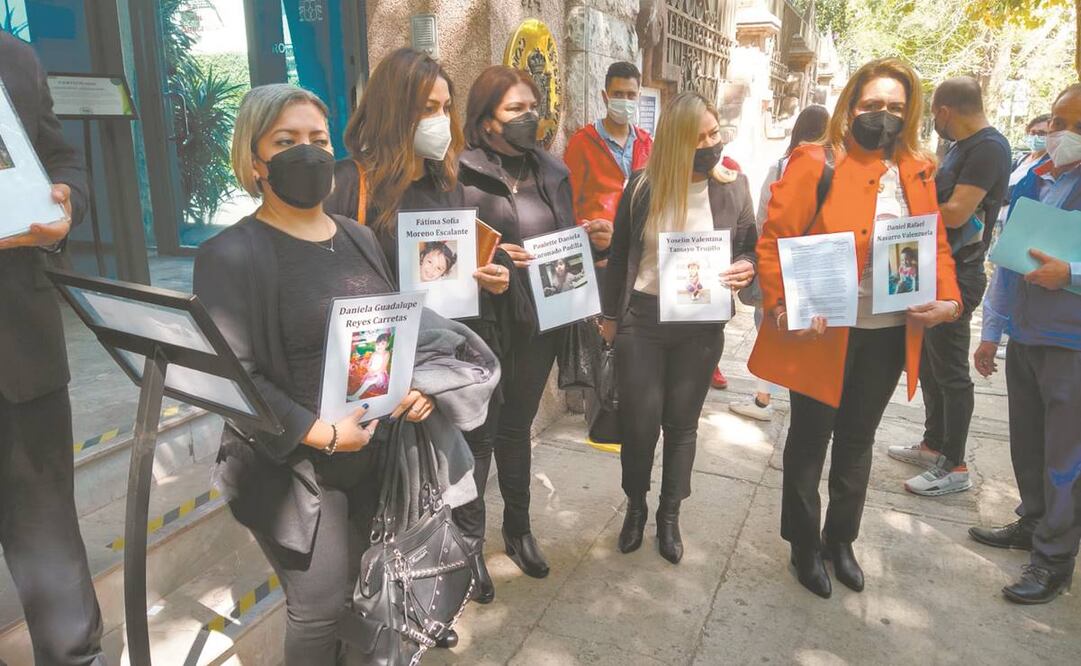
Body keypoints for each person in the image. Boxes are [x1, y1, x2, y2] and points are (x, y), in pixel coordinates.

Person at [192, 84, 478, 663]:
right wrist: (321, 433)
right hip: (295, 469)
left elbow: (391, 329)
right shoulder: (230, 254)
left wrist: (414, 385)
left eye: (318, 139)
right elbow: (234, 380)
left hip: (374, 452)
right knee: (319, 610)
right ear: (255, 159)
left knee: (363, 594)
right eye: (286, 141)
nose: (309, 152)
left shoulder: (357, 236)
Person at [748, 58, 962, 599]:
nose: (882, 116)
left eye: (894, 107)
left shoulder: (916, 168)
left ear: (909, 112)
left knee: (858, 439)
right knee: (810, 437)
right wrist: (780, 305)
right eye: (872, 106)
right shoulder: (815, 161)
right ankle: (802, 543)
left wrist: (951, 302)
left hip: (888, 332)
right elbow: (774, 240)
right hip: (823, 331)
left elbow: (934, 244)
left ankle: (839, 540)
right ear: (851, 106)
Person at [324, 49, 511, 606]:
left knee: (467, 480)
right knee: (406, 498)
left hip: (450, 364)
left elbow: (453, 283)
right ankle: (411, 596)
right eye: (427, 107)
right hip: (389, 380)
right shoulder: (347, 184)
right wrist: (400, 386)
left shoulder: (446, 183)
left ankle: (454, 576)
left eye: (447, 106)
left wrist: (489, 280)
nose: (440, 119)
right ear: (392, 110)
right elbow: (338, 298)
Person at [459, 65, 607, 580]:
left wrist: (590, 243)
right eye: (514, 109)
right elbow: (443, 256)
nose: (529, 117)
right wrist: (495, 258)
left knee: (517, 427)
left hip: (542, 321)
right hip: (482, 323)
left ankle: (518, 531)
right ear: (486, 120)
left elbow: (564, 239)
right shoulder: (460, 174)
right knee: (478, 435)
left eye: (532, 107)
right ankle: (468, 547)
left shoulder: (552, 171)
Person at [601, 91, 758, 564]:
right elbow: (620, 258)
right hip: (643, 321)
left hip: (700, 324)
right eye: (699, 138)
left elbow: (750, 246)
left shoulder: (734, 184)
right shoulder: (643, 187)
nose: (712, 145)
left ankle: (669, 516)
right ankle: (636, 506)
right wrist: (610, 319)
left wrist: (745, 267)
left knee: (682, 425)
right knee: (640, 424)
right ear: (673, 144)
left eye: (714, 133)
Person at [0, 32, 107, 665]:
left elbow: (61, 159)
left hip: (22, 356)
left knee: (49, 540)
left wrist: (69, 204)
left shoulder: (13, 56)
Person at [969, 83, 1081, 605]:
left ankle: (1053, 560)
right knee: (1027, 444)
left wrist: (1073, 274)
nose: (1058, 133)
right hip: (1027, 336)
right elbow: (1008, 264)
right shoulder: (1035, 179)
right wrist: (992, 332)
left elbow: (1062, 270)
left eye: (1071, 124)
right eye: (1057, 121)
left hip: (1072, 346)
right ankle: (1032, 522)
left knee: (1066, 458)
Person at [888, 77, 1010, 497]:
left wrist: (900, 221)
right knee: (932, 365)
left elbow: (956, 214)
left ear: (942, 112)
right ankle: (933, 443)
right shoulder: (960, 147)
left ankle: (954, 464)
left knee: (952, 371)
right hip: (936, 266)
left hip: (960, 272)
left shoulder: (988, 147)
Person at [729, 104, 829, 422]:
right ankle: (802, 391)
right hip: (816, 263)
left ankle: (762, 399)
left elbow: (763, 216)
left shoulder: (783, 166)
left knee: (770, 327)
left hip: (782, 262)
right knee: (814, 329)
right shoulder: (835, 167)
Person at [563, 61, 653, 262]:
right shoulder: (582, 143)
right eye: (618, 94)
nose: (625, 100)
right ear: (605, 97)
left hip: (637, 252)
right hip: (597, 254)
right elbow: (568, 202)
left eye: (631, 95)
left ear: (638, 96)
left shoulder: (647, 144)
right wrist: (589, 242)